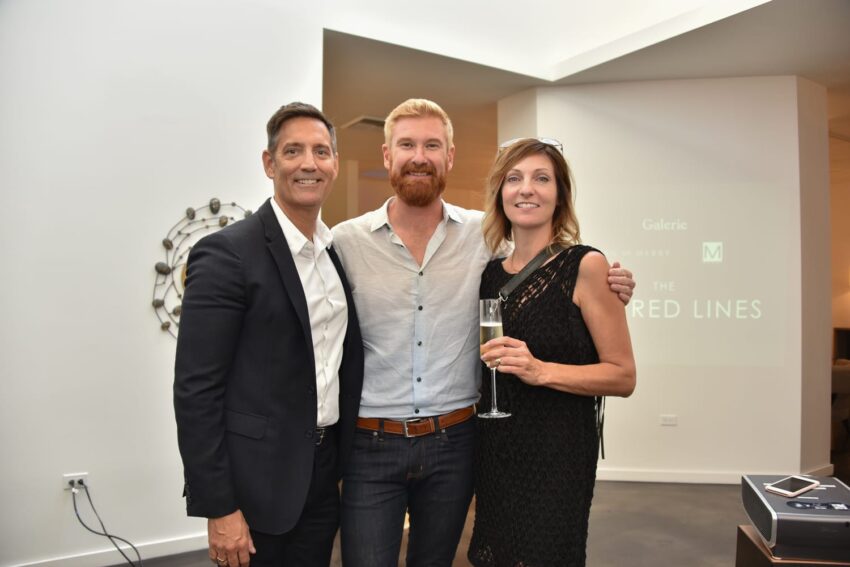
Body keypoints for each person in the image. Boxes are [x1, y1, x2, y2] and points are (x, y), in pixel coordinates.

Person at [331, 99, 635, 567]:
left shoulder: (482, 237)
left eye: (432, 145)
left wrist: (613, 284)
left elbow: (554, 267)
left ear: (449, 157)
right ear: (387, 155)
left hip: (457, 444)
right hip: (373, 445)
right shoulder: (345, 241)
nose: (419, 156)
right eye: (407, 144)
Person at [173, 102, 364, 567]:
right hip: (254, 487)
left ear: (334, 165)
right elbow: (196, 390)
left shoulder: (333, 253)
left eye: (321, 152)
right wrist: (219, 506)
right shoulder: (226, 253)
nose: (308, 163)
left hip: (321, 476)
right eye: (293, 151)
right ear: (269, 163)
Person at [468, 138, 637, 567]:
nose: (527, 189)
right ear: (500, 193)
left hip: (557, 454)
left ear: (559, 195)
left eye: (542, 179)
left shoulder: (585, 266)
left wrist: (540, 371)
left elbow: (623, 376)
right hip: (496, 450)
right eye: (514, 178)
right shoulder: (489, 274)